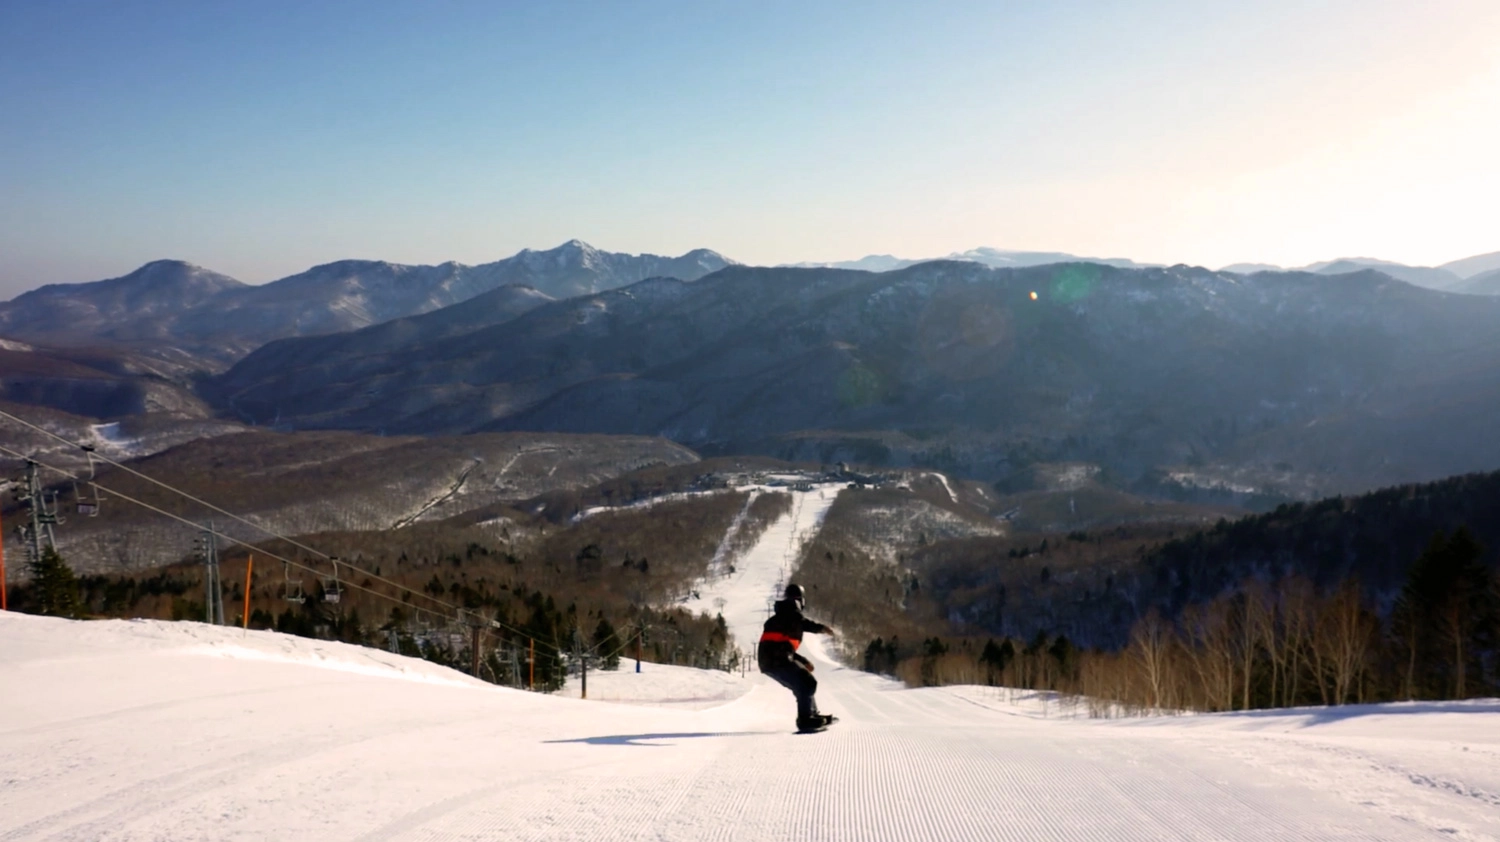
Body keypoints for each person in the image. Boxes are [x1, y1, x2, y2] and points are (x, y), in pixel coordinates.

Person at [758, 583, 837, 732]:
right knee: (807, 682)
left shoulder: (780, 617)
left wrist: (803, 661)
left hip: (771, 661)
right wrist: (821, 628)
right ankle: (805, 719)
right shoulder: (792, 615)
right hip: (777, 661)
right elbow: (802, 623)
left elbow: (781, 646)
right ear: (800, 601)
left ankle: (811, 715)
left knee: (803, 684)